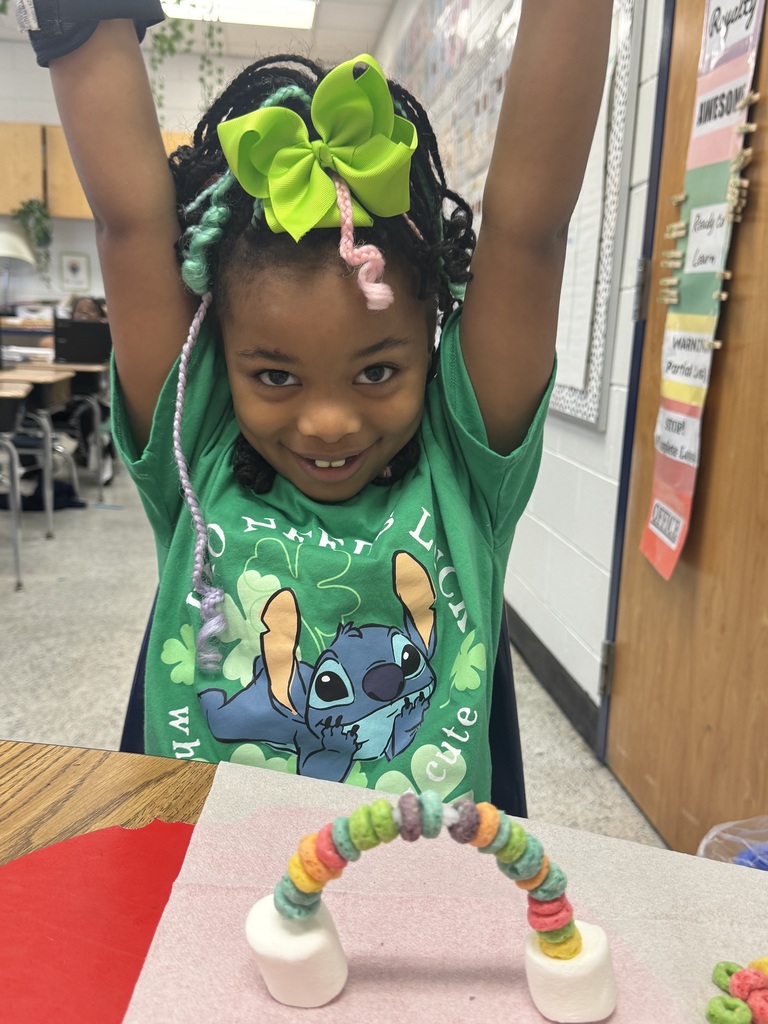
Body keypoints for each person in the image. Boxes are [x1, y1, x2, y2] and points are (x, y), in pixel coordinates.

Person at [18, 1, 612, 800]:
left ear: (431, 347)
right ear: (219, 354)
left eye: (376, 373)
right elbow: (131, 222)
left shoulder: (464, 464)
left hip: (422, 896)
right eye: (274, 376)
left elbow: (529, 230)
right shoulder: (200, 444)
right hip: (202, 884)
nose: (327, 422)